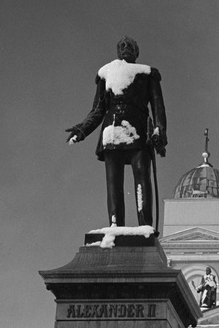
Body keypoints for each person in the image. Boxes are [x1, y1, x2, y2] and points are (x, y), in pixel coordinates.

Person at [66, 36, 167, 228]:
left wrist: (159, 132)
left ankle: (145, 226)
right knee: (113, 184)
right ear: (118, 51)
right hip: (112, 131)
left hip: (138, 131)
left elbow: (158, 107)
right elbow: (98, 110)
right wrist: (82, 130)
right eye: (122, 45)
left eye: (130, 45)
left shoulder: (147, 74)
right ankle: (115, 226)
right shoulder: (106, 74)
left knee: (142, 179)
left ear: (136, 52)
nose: (125, 47)